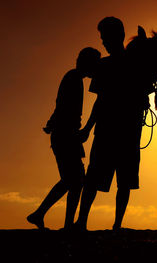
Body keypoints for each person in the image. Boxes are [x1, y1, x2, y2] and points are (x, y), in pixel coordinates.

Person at [74, 17, 152, 231]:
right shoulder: (135, 63)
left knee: (99, 178)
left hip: (111, 131)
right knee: (120, 180)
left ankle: (85, 222)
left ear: (114, 36)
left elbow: (100, 102)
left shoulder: (106, 66)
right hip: (126, 130)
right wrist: (88, 129)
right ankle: (112, 225)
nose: (103, 42)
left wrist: (88, 129)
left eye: (104, 38)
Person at [27, 47, 101, 230]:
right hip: (67, 134)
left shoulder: (73, 77)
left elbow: (60, 104)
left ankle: (41, 214)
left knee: (72, 180)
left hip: (65, 133)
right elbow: (64, 106)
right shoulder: (74, 79)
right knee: (75, 181)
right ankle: (60, 221)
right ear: (88, 63)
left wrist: (52, 123)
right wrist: (62, 127)